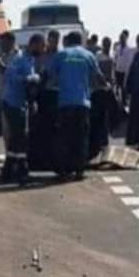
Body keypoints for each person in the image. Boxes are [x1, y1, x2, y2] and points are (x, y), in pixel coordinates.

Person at [0, 34, 46, 184]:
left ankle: (10, 171)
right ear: (34, 44)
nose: (43, 50)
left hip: (20, 103)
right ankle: (20, 171)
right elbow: (8, 74)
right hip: (12, 102)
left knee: (16, 139)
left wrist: (34, 78)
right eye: (42, 46)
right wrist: (28, 79)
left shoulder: (30, 59)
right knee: (20, 138)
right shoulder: (20, 59)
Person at [50, 32, 107, 180]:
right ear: (80, 41)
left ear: (68, 41)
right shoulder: (88, 55)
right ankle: (79, 170)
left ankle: (64, 171)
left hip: (65, 103)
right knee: (81, 138)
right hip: (83, 103)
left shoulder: (61, 55)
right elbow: (98, 76)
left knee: (64, 137)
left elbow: (50, 76)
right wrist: (106, 86)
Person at [29, 29, 61, 171]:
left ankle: (52, 160)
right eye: (51, 40)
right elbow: (36, 72)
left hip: (55, 94)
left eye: (56, 40)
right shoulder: (42, 56)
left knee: (54, 129)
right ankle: (39, 160)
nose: (53, 43)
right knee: (40, 128)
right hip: (42, 94)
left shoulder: (60, 56)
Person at [90, 36, 116, 158]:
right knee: (99, 116)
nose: (107, 46)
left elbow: (112, 73)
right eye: (106, 44)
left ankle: (104, 141)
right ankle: (100, 142)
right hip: (98, 90)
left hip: (107, 89)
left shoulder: (110, 56)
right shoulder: (98, 56)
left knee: (106, 115)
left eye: (109, 44)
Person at [114, 30, 136, 104]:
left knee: (124, 88)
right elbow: (116, 58)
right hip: (118, 71)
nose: (121, 40)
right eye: (120, 38)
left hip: (125, 71)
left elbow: (129, 61)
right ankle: (118, 103)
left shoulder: (129, 49)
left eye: (123, 38)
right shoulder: (117, 48)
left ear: (126, 39)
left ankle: (124, 102)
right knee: (117, 87)